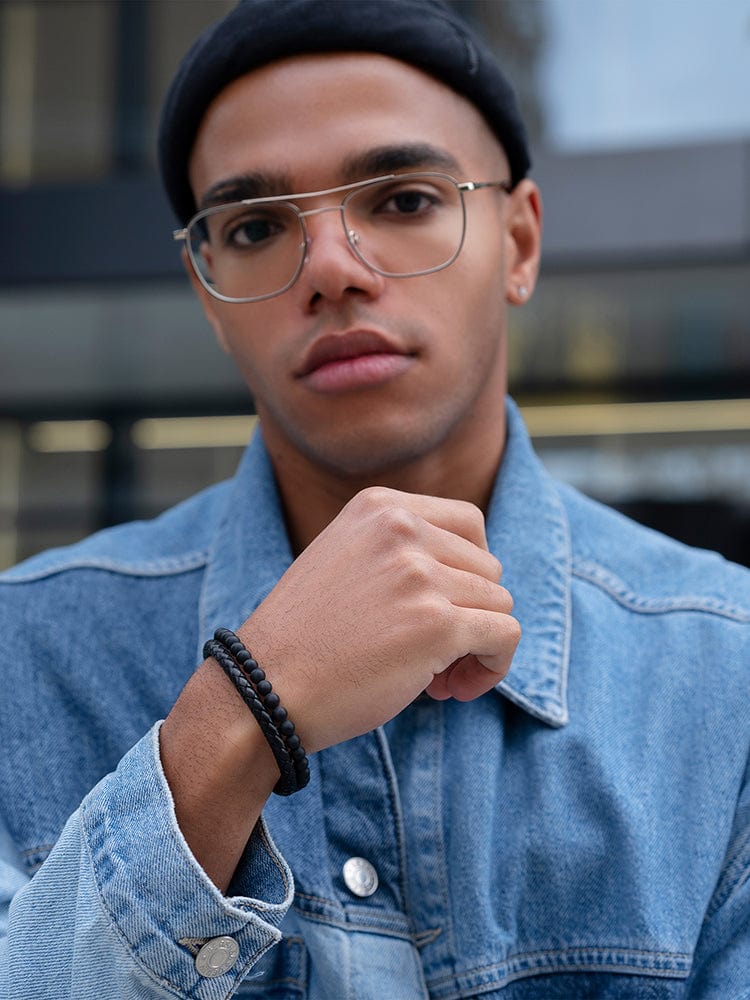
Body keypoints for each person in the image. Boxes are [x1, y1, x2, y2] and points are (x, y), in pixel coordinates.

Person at [1, 0, 748, 996]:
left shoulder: (725, 668)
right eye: (259, 225)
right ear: (207, 288)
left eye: (401, 200)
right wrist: (234, 722)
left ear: (519, 243)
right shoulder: (29, 652)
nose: (333, 272)